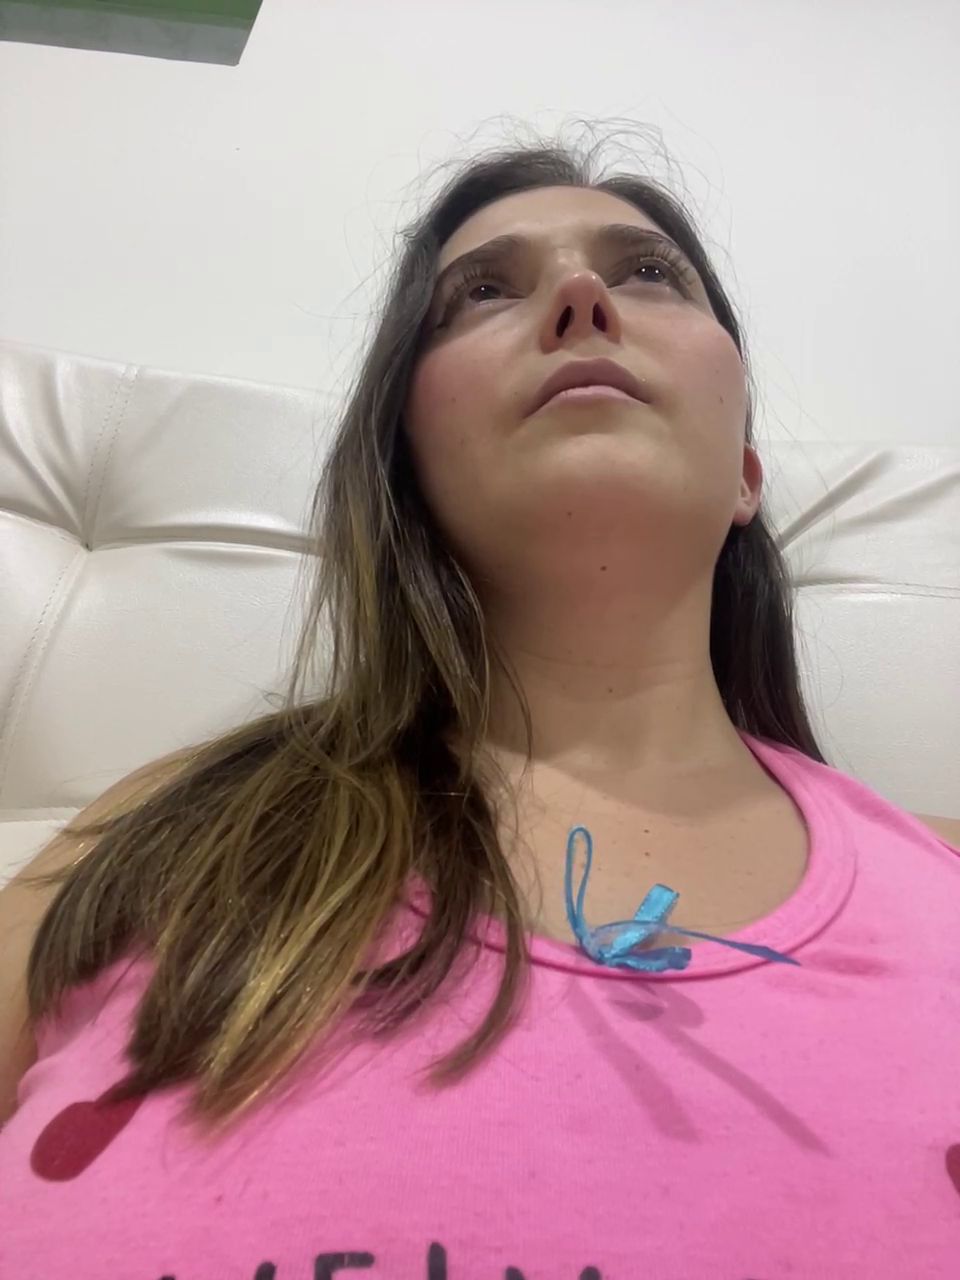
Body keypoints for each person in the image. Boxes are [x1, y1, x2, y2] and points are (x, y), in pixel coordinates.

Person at [1, 137, 958, 1280]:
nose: (581, 296)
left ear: (746, 474)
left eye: (650, 272)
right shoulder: (176, 828)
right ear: (406, 467)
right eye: (483, 292)